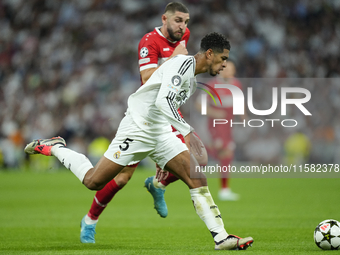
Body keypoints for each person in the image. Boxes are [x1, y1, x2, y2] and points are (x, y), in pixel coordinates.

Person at [25, 32, 254, 250]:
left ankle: (221, 237)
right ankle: (56, 147)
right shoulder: (182, 65)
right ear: (210, 54)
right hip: (137, 128)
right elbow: (163, 102)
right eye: (223, 58)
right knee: (93, 181)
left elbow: (167, 106)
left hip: (161, 132)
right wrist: (187, 131)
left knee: (196, 177)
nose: (225, 64)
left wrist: (180, 131)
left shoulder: (192, 80)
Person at [77, 2, 207, 244]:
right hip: (146, 116)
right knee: (122, 178)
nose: (183, 27)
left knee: (196, 161)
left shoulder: (184, 35)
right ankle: (90, 221)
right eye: (178, 21)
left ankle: (158, 184)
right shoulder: (149, 41)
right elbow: (147, 78)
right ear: (164, 19)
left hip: (168, 111)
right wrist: (174, 60)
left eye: (186, 22)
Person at [205, 60, 243, 201]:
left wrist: (244, 117)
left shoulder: (236, 84)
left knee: (225, 156)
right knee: (226, 155)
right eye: (226, 68)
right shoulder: (212, 85)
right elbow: (199, 105)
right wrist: (216, 114)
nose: (228, 71)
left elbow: (240, 103)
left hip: (228, 126)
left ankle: (196, 154)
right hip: (216, 126)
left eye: (231, 69)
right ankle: (224, 190)